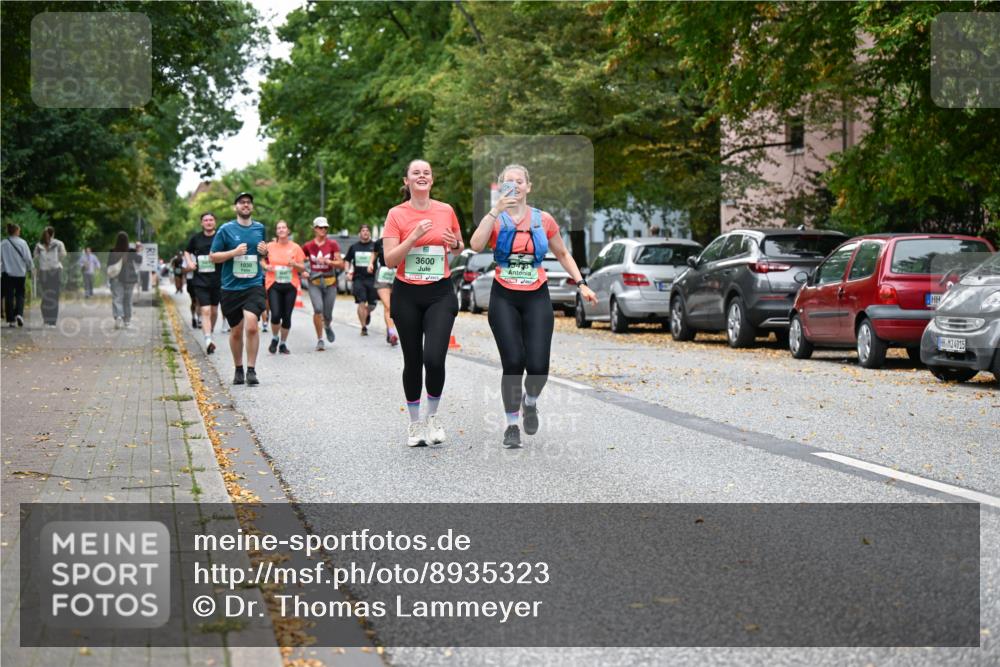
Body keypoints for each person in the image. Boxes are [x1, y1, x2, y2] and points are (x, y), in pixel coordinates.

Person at [469, 164, 597, 448]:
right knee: (513, 361)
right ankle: (512, 424)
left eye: (519, 181)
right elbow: (476, 245)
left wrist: (581, 283)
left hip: (536, 295)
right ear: (501, 187)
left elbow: (563, 253)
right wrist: (494, 210)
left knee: (538, 365)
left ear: (529, 186)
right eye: (508, 182)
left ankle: (531, 402)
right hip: (503, 295)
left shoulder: (543, 220)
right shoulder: (496, 218)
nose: (514, 186)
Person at [383, 159, 464, 447]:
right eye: (416, 172)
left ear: (432, 179)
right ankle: (415, 424)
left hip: (439, 293)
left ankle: (433, 418)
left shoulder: (446, 210)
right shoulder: (396, 214)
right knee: (414, 361)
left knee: (434, 358)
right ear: (406, 181)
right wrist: (414, 237)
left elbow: (458, 247)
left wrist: (453, 244)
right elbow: (390, 260)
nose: (421, 176)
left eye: (426, 172)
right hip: (406, 292)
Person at [210, 192, 268, 386]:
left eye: (249, 203)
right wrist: (234, 252)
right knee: (236, 331)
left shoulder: (259, 228)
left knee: (251, 325)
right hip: (231, 287)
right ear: (236, 207)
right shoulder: (226, 230)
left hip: (253, 285)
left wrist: (265, 251)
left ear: (252, 207)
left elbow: (264, 254)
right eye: (242, 203)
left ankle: (251, 369)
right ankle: (239, 368)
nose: (246, 205)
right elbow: (213, 256)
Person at [262, 221, 306, 354]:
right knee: (275, 315)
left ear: (288, 231)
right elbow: (262, 260)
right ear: (276, 232)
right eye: (278, 228)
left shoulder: (295, 247)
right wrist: (266, 266)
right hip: (273, 283)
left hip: (290, 284)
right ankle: (275, 338)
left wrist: (294, 264)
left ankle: (283, 344)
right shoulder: (269, 246)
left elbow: (302, 267)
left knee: (286, 316)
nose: (281, 230)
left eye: (283, 228)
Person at [301, 216, 343, 351]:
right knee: (318, 309)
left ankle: (328, 325)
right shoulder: (308, 246)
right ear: (314, 229)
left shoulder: (333, 244)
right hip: (314, 282)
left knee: (328, 314)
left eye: (325, 227)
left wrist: (329, 262)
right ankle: (320, 339)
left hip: (330, 282)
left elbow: (340, 264)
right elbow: (299, 260)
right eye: (320, 227)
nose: (323, 230)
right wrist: (303, 271)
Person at [184, 212, 222, 354]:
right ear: (202, 223)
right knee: (205, 310)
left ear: (215, 222)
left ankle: (209, 332)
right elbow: (187, 252)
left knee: (213, 311)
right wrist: (189, 263)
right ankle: (207, 339)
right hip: (200, 280)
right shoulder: (196, 238)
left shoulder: (220, 237)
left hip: (217, 279)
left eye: (211, 220)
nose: (208, 222)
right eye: (205, 220)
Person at [344, 224, 378, 336]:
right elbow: (347, 260)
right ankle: (363, 327)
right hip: (358, 278)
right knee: (361, 302)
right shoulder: (354, 247)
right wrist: (347, 272)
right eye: (363, 230)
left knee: (372, 304)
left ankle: (367, 313)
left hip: (372, 278)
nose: (365, 232)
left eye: (367, 230)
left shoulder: (374, 246)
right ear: (360, 233)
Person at [107, 232, 144, 329]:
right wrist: (138, 251)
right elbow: (139, 260)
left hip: (116, 278)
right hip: (129, 279)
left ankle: (118, 316)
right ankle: (127, 321)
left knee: (117, 298)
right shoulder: (130, 251)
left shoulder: (113, 251)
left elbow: (109, 265)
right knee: (128, 300)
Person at [33, 226, 67, 327]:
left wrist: (55, 262)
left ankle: (52, 321)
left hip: (54, 272)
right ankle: (46, 319)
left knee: (53, 297)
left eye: (47, 233)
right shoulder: (39, 246)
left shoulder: (58, 244)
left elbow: (63, 255)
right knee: (45, 297)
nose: (46, 235)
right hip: (43, 273)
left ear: (51, 234)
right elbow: (35, 257)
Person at [1, 223, 32, 327]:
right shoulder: (23, 243)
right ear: (16, 231)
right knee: (20, 294)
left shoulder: (3, 243)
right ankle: (19, 314)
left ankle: (11, 320)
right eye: (19, 230)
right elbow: (28, 258)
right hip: (20, 273)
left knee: (9, 296)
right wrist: (31, 268)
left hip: (7, 273)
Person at [370, 235, 398, 346]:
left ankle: (389, 328)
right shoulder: (379, 242)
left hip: (397, 275)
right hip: (383, 275)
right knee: (388, 306)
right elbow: (374, 254)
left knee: (395, 307)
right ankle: (392, 333)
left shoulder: (401, 240)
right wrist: (370, 263)